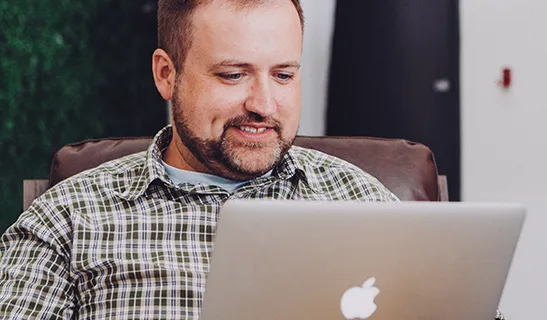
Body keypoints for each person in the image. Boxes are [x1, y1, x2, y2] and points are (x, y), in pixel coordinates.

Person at [0, 0, 507, 319]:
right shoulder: (68, 218)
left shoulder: (363, 200)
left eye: (283, 75)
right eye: (233, 75)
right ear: (166, 74)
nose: (264, 104)